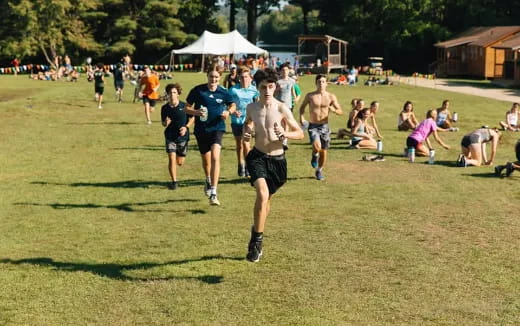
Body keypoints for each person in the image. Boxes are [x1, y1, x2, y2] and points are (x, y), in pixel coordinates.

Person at [242, 68, 304, 262]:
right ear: (257, 88)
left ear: (275, 87)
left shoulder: (281, 108)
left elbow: (300, 133)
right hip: (257, 157)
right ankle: (257, 243)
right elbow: (248, 123)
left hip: (277, 161)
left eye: (270, 86)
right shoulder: (252, 108)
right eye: (263, 87)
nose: (267, 91)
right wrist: (247, 131)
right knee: (262, 194)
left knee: (266, 203)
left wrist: (285, 135)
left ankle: (256, 229)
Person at [184, 68, 236, 206]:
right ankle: (208, 179)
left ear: (219, 78)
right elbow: (186, 107)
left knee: (215, 157)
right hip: (201, 130)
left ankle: (214, 192)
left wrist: (228, 112)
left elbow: (232, 104)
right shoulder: (198, 90)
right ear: (207, 76)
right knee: (206, 162)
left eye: (216, 77)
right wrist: (196, 112)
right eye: (211, 77)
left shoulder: (223, 92)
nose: (214, 80)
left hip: (217, 128)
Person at [299, 74, 343, 180]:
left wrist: (334, 111)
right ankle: (314, 155)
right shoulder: (310, 96)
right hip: (313, 125)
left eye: (323, 82)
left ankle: (319, 170)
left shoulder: (331, 96)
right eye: (319, 81)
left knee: (323, 151)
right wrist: (301, 118)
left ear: (326, 83)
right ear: (316, 83)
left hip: (324, 126)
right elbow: (302, 107)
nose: (321, 84)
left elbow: (340, 111)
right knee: (316, 146)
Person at [161, 83, 194, 190]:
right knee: (171, 158)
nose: (172, 94)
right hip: (170, 136)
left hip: (182, 137)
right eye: (170, 92)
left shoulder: (184, 106)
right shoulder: (164, 108)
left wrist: (186, 127)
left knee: (179, 162)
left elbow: (192, 118)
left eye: (174, 92)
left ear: (178, 94)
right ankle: (174, 181)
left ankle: (175, 163)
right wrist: (166, 122)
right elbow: (163, 123)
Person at [229, 67, 258, 177]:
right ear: (239, 78)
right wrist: (233, 111)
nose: (244, 79)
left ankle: (248, 166)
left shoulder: (254, 90)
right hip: (236, 120)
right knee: (239, 145)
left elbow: (258, 104)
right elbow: (227, 103)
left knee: (246, 144)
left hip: (249, 120)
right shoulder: (233, 90)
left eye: (246, 77)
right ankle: (240, 164)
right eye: (242, 77)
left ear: (250, 78)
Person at [275, 63, 297, 149]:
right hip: (280, 104)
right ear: (280, 71)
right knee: (280, 123)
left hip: (288, 105)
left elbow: (293, 90)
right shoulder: (278, 81)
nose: (285, 72)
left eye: (286, 70)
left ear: (289, 71)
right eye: (283, 70)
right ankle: (280, 137)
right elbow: (274, 93)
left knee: (286, 122)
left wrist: (295, 98)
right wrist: (277, 89)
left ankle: (284, 141)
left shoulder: (292, 81)